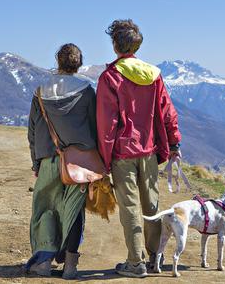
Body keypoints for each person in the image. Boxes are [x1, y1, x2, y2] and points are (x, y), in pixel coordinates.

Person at [96, 19, 181, 278]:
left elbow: (106, 124)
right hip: (150, 151)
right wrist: (174, 142)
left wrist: (103, 160)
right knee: (151, 206)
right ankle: (155, 257)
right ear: (137, 44)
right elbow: (167, 112)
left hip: (123, 154)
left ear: (114, 45)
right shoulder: (153, 75)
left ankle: (135, 263)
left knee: (130, 208)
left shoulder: (110, 77)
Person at [25, 43, 97, 279]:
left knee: (46, 209)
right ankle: (70, 265)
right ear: (79, 63)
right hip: (80, 163)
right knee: (74, 212)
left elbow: (33, 130)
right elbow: (95, 127)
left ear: (58, 62)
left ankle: (44, 263)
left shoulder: (41, 91)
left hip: (48, 160)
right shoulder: (87, 91)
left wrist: (37, 162)